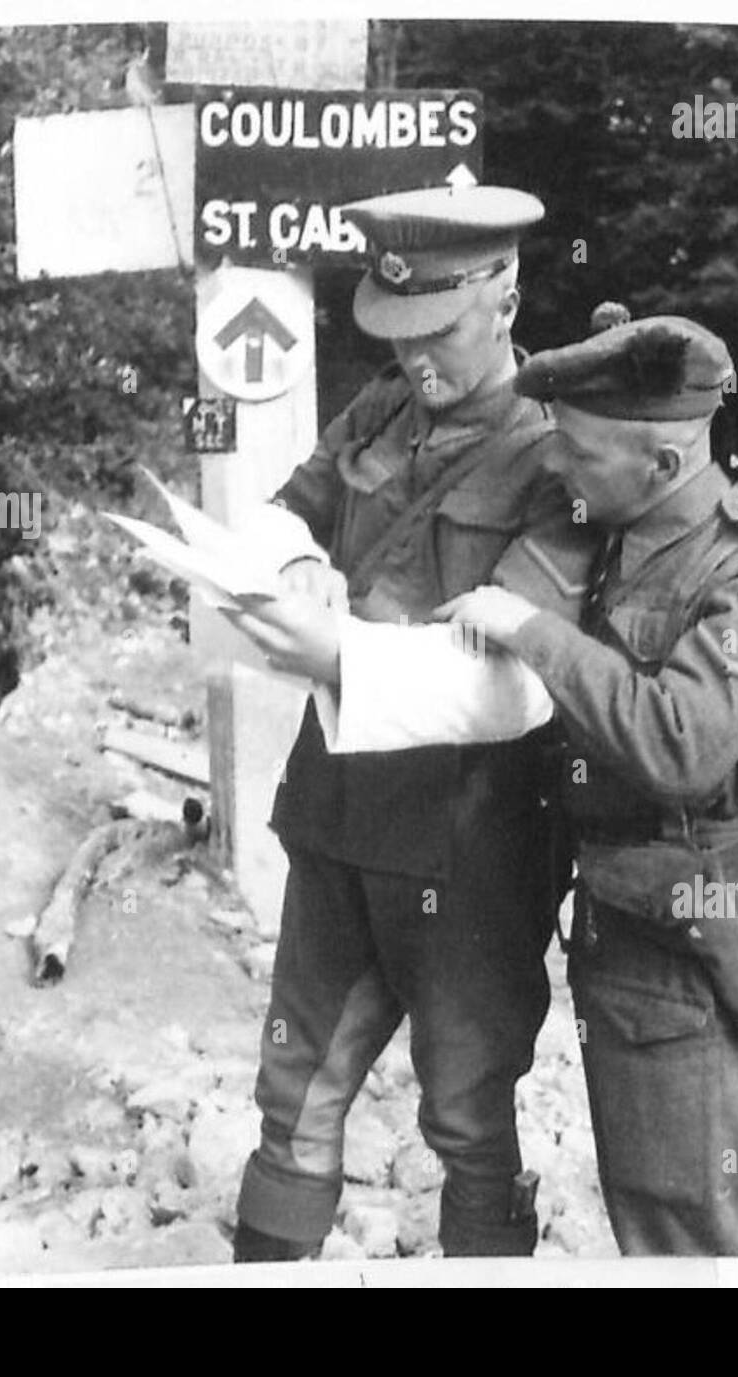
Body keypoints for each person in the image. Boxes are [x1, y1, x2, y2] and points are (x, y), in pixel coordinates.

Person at [240, 313, 738, 1257]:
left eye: (583, 452)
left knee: (700, 1229)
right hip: (629, 934)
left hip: (715, 950)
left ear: (664, 465)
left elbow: (675, 742)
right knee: (652, 1208)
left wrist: (529, 630)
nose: (555, 465)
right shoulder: (629, 542)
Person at [225, 184, 597, 1261]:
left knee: (468, 1118)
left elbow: (525, 684)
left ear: (506, 298)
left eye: (435, 333)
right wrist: (296, 562)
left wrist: (342, 655)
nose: (415, 359)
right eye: (396, 334)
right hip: (341, 821)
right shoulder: (383, 409)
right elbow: (283, 511)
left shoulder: (558, 456)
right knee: (293, 1090)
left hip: (471, 846)